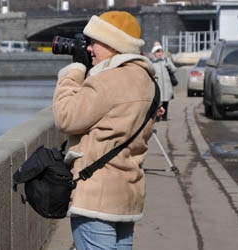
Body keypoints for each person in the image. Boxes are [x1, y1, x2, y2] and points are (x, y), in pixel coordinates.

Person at [52, 11, 158, 250]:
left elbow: (65, 117)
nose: (89, 49)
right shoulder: (148, 81)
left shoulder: (107, 81)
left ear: (113, 44)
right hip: (127, 195)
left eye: (94, 42)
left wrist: (75, 71)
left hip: (96, 198)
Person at [150, 44, 177, 121]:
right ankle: (157, 116)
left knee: (166, 101)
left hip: (166, 85)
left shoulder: (166, 60)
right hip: (158, 85)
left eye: (160, 51)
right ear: (154, 53)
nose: (159, 53)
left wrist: (169, 65)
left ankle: (165, 116)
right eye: (157, 52)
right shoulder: (152, 63)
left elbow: (174, 69)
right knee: (158, 101)